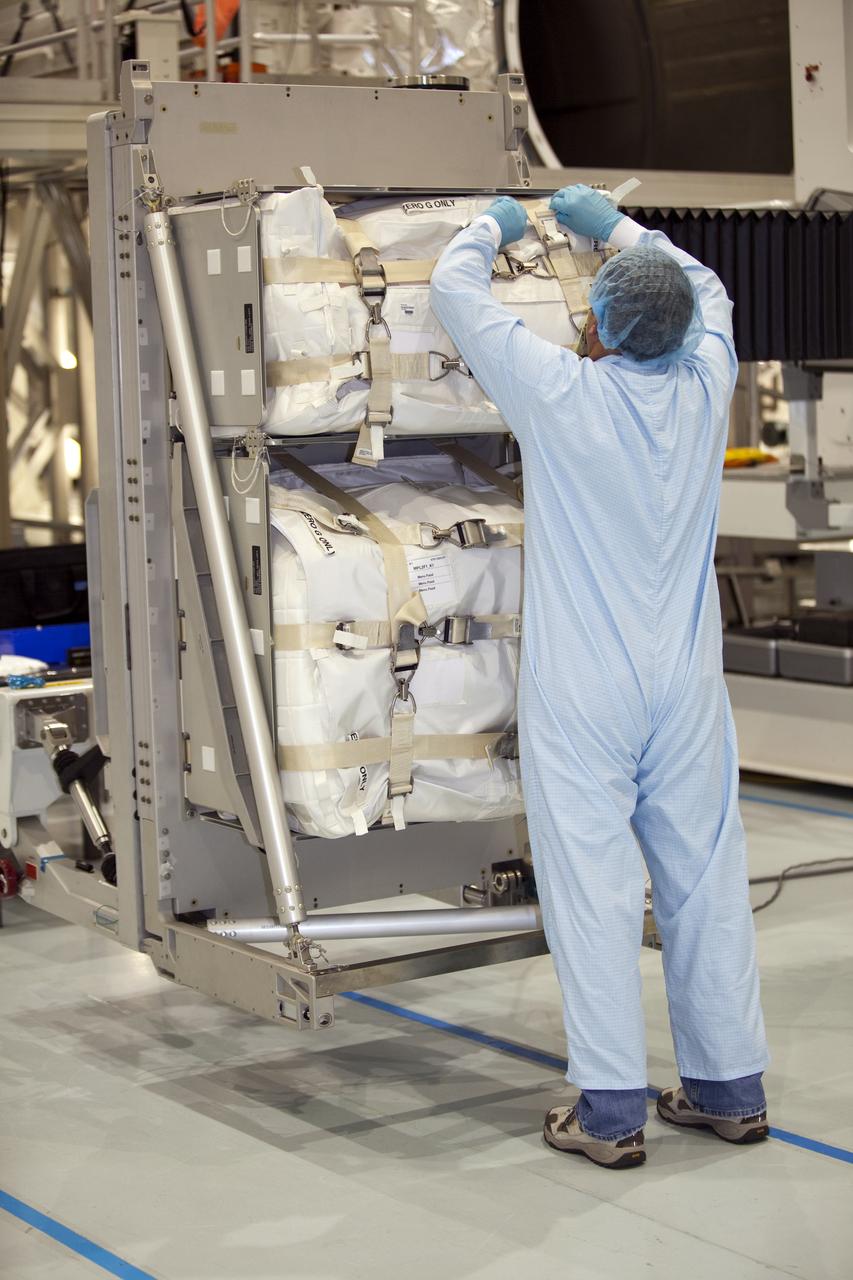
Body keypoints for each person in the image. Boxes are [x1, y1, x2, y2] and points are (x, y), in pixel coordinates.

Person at [430, 185, 769, 1170]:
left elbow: (459, 295)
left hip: (585, 687)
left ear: (600, 326)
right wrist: (608, 224)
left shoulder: (562, 391)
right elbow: (705, 287)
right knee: (704, 876)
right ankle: (726, 1085)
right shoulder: (709, 378)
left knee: (594, 885)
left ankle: (612, 1107)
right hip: (688, 683)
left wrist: (495, 226)